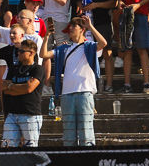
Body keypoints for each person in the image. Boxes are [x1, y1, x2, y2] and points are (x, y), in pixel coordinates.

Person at [43, 16, 107, 147]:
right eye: (69, 27)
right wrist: (47, 35)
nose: (70, 29)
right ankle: (70, 163)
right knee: (68, 135)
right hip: (66, 94)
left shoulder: (89, 46)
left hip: (84, 93)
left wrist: (91, 27)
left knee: (86, 134)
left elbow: (103, 43)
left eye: (74, 26)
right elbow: (43, 55)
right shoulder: (64, 48)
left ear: (82, 29)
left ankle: (88, 163)